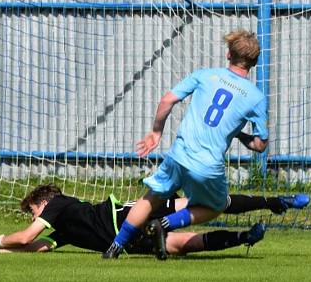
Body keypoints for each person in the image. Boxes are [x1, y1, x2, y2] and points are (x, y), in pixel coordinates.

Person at [104, 30, 270, 259]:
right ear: (254, 62)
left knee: (151, 197)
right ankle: (164, 223)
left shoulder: (205, 75)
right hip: (207, 165)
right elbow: (260, 144)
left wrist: (155, 132)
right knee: (217, 205)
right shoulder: (256, 97)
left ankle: (114, 248)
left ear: (228, 54)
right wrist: (238, 135)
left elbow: (167, 100)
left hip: (178, 154)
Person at [0, 184, 309, 257]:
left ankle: (275, 202)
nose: (36, 217)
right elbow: (34, 247)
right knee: (179, 245)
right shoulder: (66, 229)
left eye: (32, 211)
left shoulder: (58, 205)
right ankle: (245, 237)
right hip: (126, 240)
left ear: (42, 201)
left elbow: (24, 237)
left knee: (203, 204)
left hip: (129, 216)